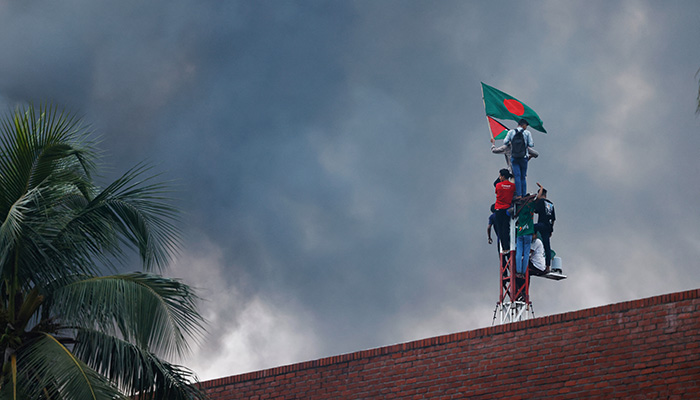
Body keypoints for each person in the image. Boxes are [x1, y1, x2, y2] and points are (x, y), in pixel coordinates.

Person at [503, 119, 534, 198]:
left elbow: (505, 142)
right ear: (523, 125)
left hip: (514, 157)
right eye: (526, 126)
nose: (526, 127)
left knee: (517, 176)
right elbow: (531, 144)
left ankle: (519, 195)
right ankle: (523, 195)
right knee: (523, 177)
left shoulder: (511, 132)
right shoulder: (527, 133)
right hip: (524, 157)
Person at [533, 182, 556, 268]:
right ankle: (548, 265)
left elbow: (535, 210)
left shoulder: (541, 201)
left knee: (532, 227)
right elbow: (553, 219)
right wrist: (551, 230)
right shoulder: (551, 204)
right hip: (548, 226)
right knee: (547, 246)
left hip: (541, 224)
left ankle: (533, 237)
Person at [514, 193, 536, 277]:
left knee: (519, 252)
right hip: (528, 232)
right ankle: (523, 273)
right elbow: (537, 199)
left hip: (520, 233)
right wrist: (541, 188)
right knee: (526, 254)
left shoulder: (519, 208)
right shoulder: (530, 207)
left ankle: (518, 271)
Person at [494, 169, 515, 253]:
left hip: (499, 209)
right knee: (506, 228)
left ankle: (504, 248)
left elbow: (497, 192)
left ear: (502, 176)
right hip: (507, 209)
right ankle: (507, 246)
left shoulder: (498, 185)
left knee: (500, 229)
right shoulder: (512, 186)